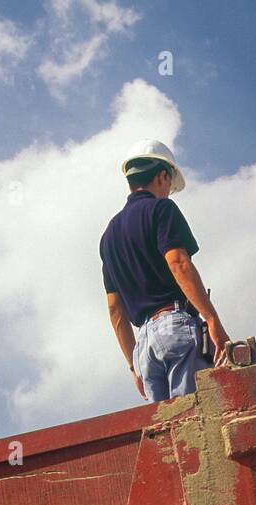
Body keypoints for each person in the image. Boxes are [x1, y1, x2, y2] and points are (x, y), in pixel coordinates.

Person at [100, 139, 229, 402]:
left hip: (144, 348)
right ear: (161, 176)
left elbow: (115, 311)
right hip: (175, 327)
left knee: (167, 434)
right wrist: (212, 319)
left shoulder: (108, 236)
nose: (169, 191)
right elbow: (178, 263)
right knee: (193, 420)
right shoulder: (162, 209)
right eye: (169, 183)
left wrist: (133, 365)